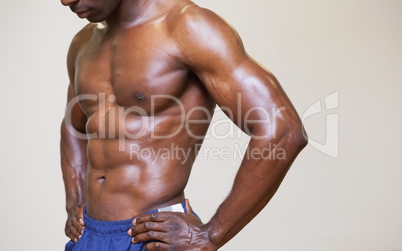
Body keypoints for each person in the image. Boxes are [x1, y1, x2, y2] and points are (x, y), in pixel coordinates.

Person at [60, 0, 307, 250]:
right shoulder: (82, 44)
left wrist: (211, 235)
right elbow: (74, 126)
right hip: (89, 237)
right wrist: (74, 202)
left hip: (152, 239)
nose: (65, 1)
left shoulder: (187, 28)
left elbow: (283, 129)